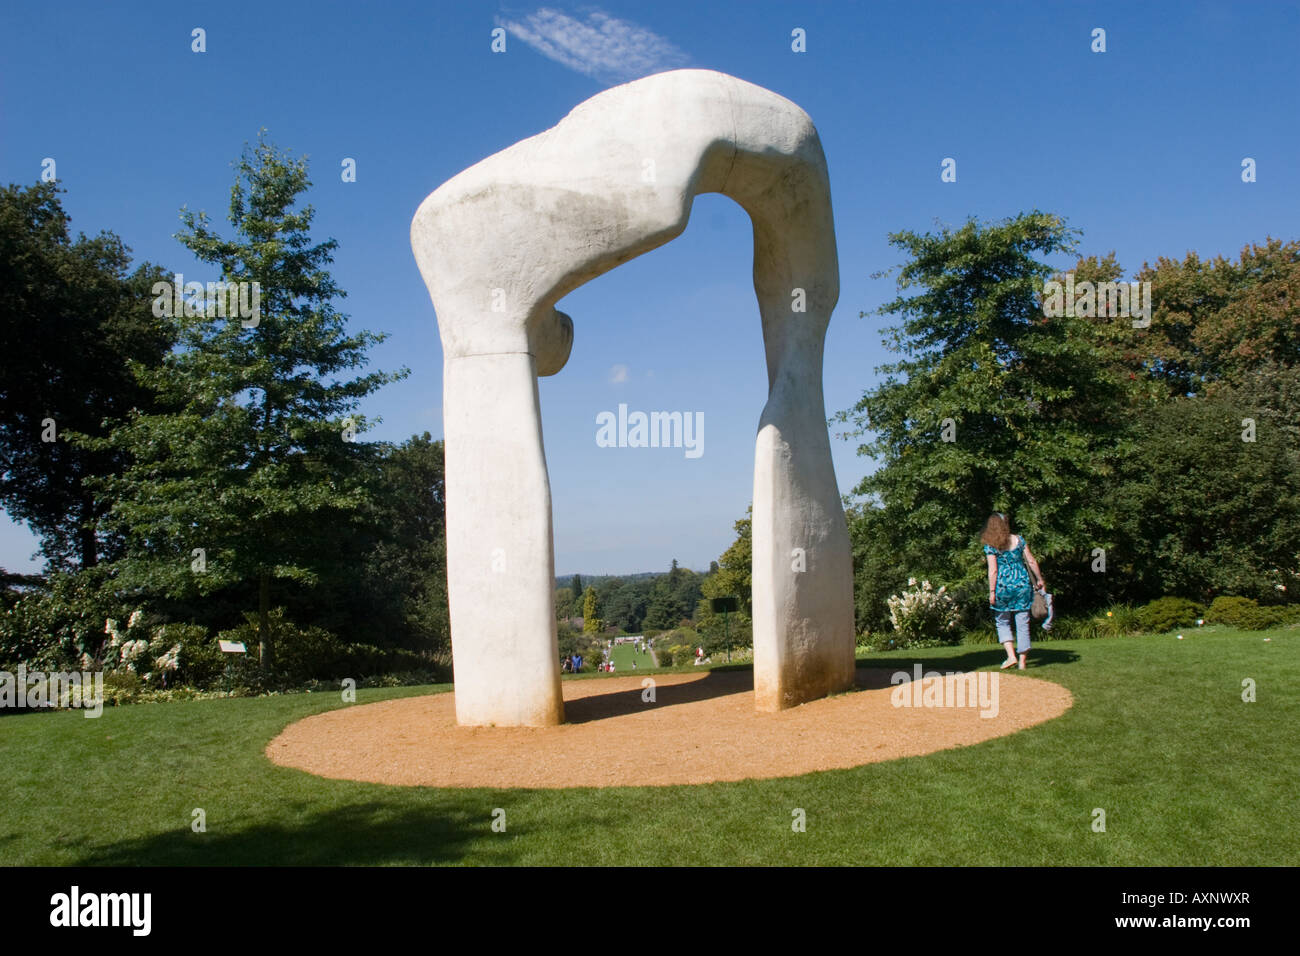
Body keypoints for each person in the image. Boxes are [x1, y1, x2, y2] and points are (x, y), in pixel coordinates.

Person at [981, 512, 1045, 670]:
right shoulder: (1019, 540)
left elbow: (993, 571)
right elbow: (1031, 560)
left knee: (1002, 621)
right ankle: (1023, 662)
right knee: (1022, 622)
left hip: (1003, 587)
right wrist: (1039, 579)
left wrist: (991, 592)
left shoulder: (991, 545)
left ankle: (1011, 656)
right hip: (1022, 584)